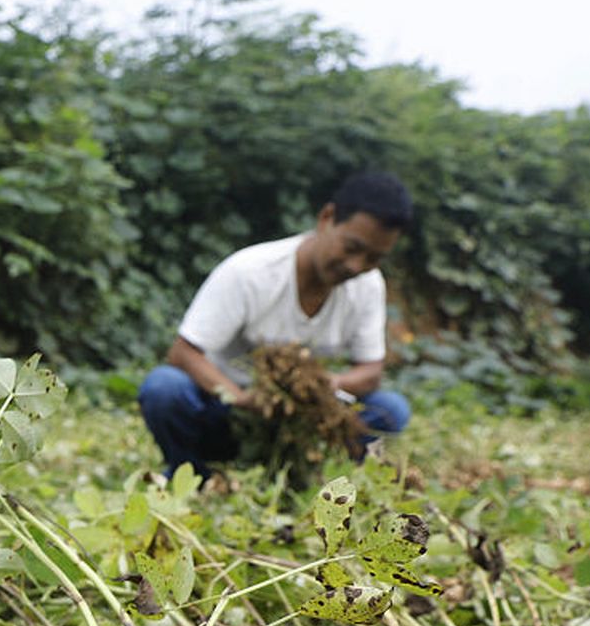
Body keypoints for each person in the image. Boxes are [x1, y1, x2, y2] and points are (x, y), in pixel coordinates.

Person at [138, 172, 414, 477]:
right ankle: (192, 473)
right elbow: (183, 353)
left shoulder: (368, 285)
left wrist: (323, 388)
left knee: (391, 410)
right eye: (351, 248)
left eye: (374, 258)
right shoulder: (250, 272)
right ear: (327, 217)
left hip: (303, 421)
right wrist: (244, 399)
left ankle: (322, 475)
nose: (356, 266)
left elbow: (370, 371)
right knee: (164, 388)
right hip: (228, 412)